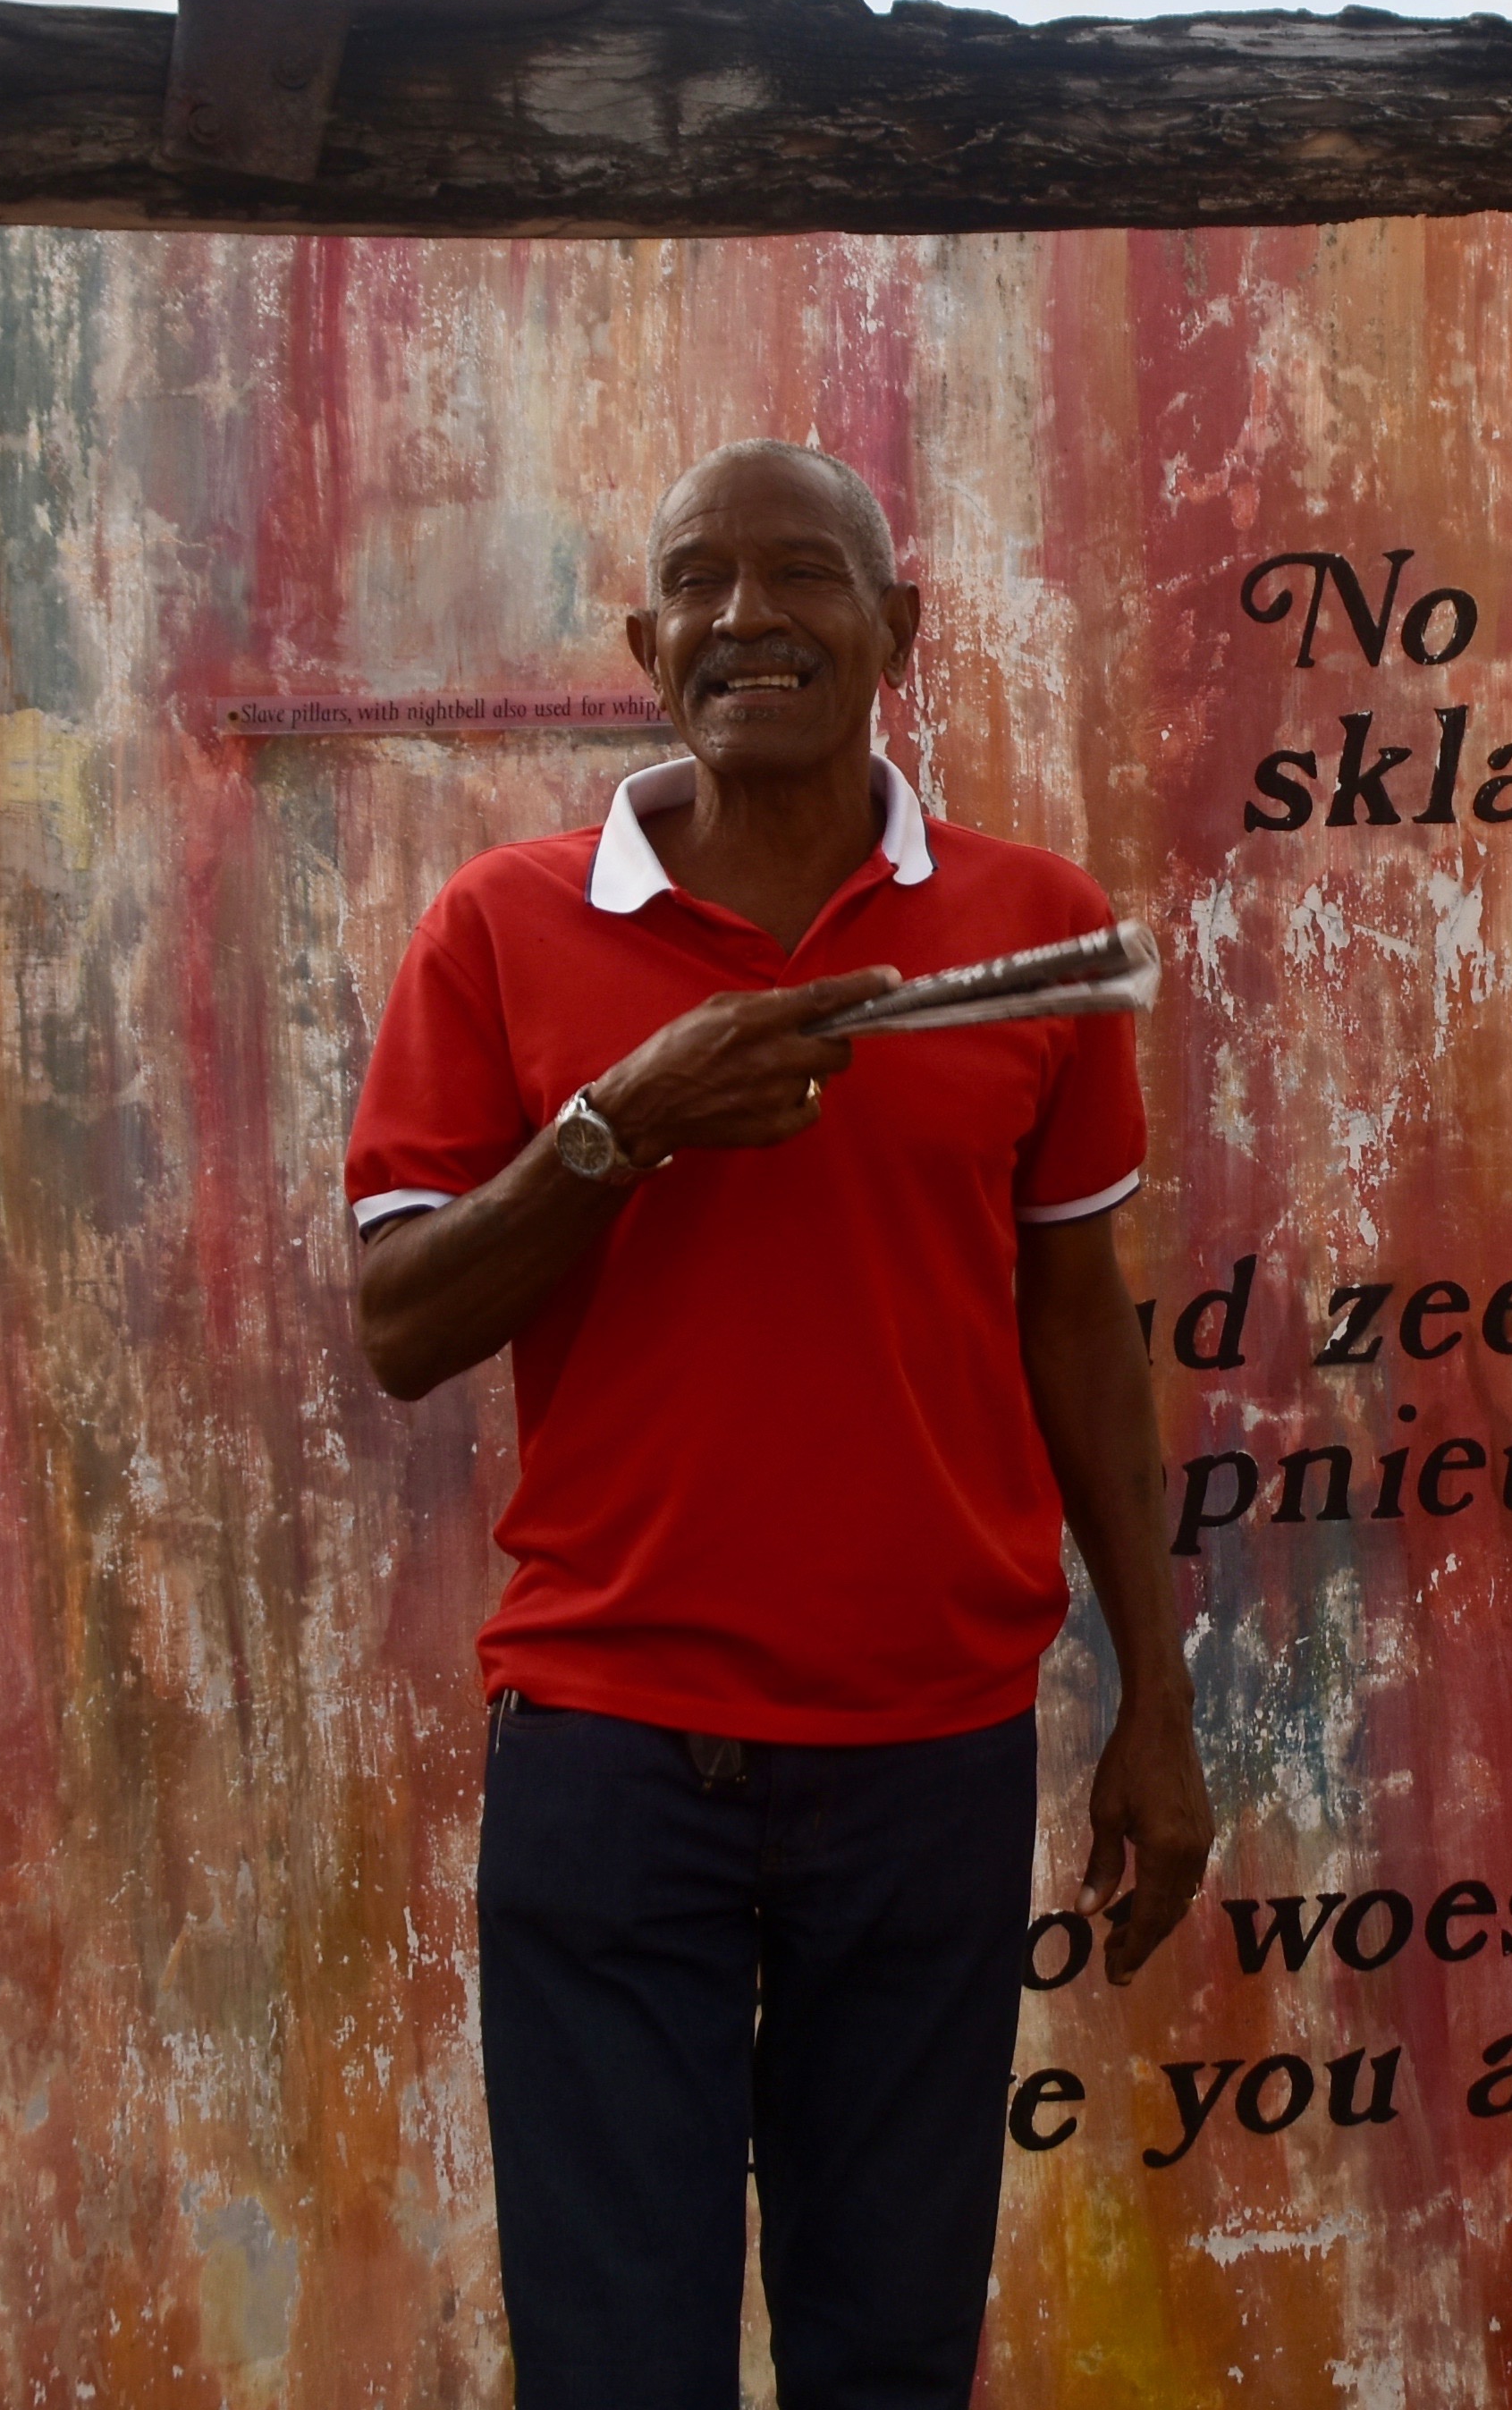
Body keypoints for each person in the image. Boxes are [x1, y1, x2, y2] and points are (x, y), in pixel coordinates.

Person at [345, 437, 1213, 2409]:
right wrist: (618, 1122)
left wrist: (1155, 1707)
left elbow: (1079, 1330)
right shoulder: (500, 923)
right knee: (615, 2359)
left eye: (806, 574)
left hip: (925, 1758)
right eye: (702, 583)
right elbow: (402, 1322)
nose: (753, 615)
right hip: (609, 1756)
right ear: (646, 642)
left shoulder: (1033, 925)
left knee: (887, 2353)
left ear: (897, 628)